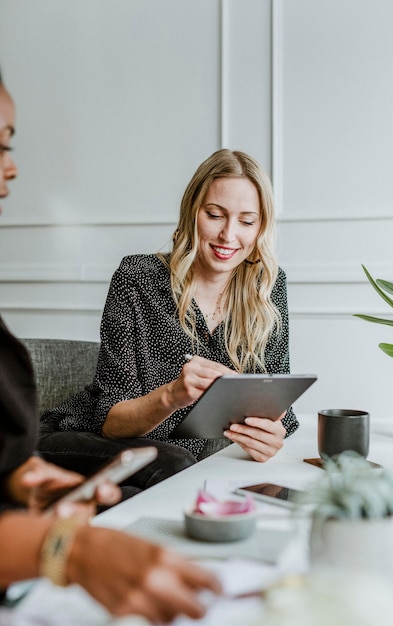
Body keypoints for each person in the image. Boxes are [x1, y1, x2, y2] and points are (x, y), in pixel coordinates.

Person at [0, 69, 220, 622]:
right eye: (0, 144)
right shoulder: (141, 278)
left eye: (10, 143)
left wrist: (18, 477)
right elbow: (112, 413)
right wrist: (66, 551)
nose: (13, 166)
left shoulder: (269, 289)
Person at [38, 148, 299, 470]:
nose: (228, 235)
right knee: (173, 463)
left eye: (247, 221)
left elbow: (278, 403)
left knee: (159, 482)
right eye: (215, 215)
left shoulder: (267, 287)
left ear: (260, 228)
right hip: (84, 442)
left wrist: (271, 434)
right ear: (192, 212)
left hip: (169, 466)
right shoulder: (137, 278)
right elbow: (111, 421)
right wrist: (173, 394)